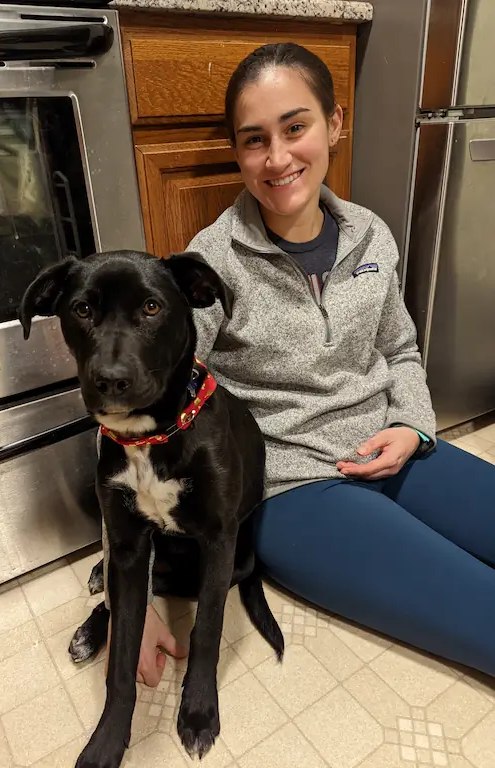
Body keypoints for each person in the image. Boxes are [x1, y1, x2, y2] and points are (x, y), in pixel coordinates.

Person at [106, 42, 495, 686]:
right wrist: (132, 594)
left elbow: (399, 348)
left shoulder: (372, 235)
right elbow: (143, 418)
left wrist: (414, 428)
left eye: (295, 127)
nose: (278, 158)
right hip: (295, 493)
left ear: (335, 123)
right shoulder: (210, 265)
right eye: (254, 139)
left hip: (392, 448)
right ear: (237, 152)